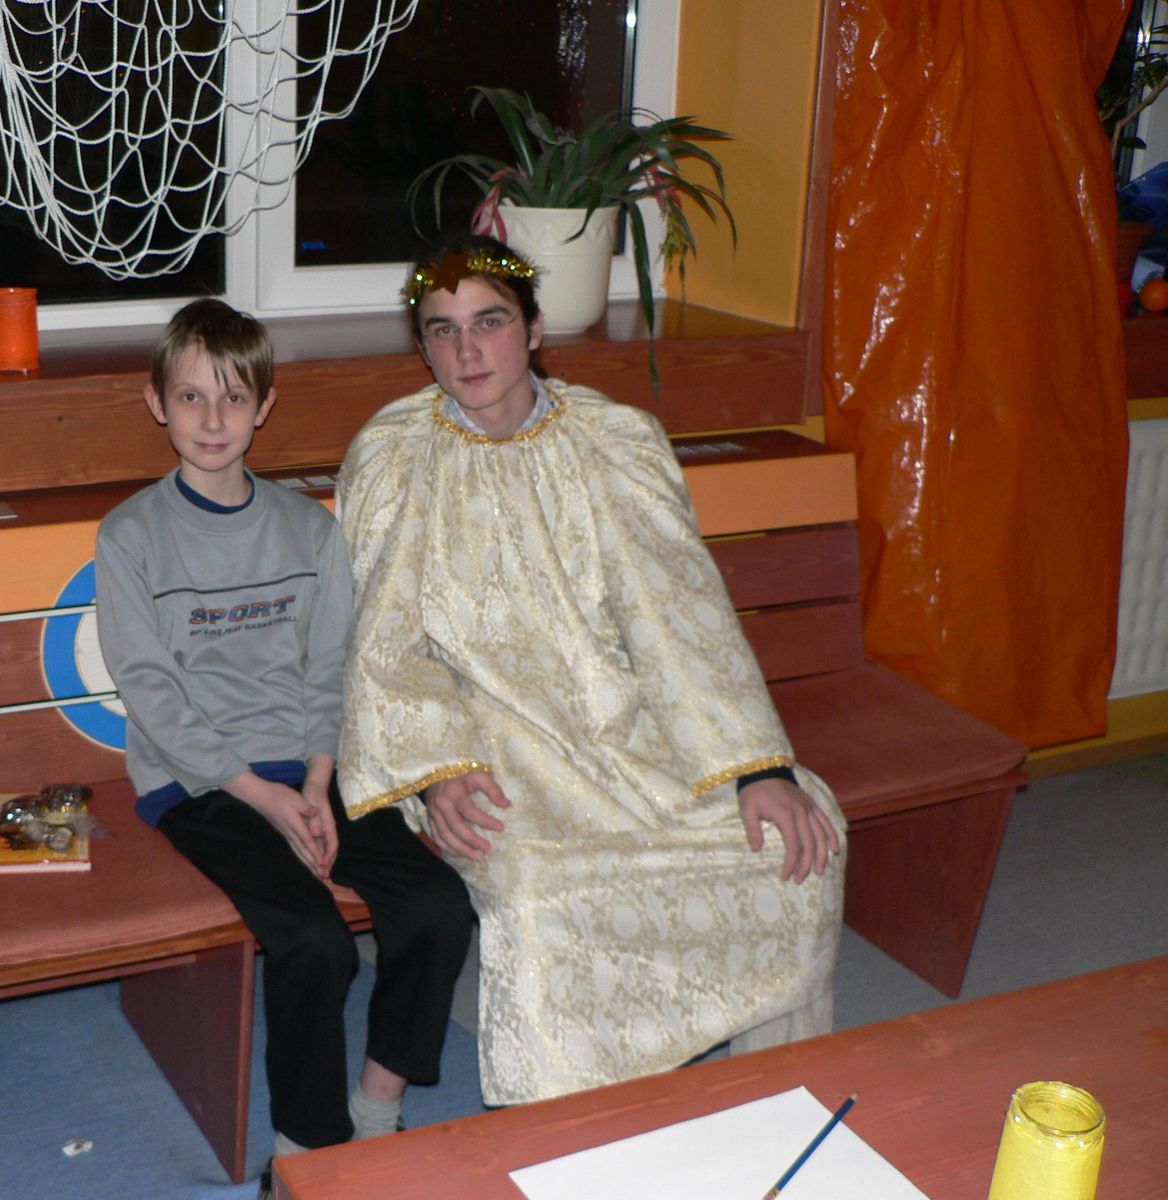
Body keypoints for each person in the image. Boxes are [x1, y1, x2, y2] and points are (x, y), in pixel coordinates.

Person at [335, 234, 846, 1107]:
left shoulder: (615, 439)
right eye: (443, 330)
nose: (467, 350)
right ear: (422, 349)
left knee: (793, 836)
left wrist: (757, 766)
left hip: (628, 724)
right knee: (543, 898)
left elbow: (678, 611)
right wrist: (438, 770)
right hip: (483, 741)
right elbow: (381, 641)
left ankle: (776, 1089)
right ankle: (568, 1127)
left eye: (489, 322)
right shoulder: (394, 454)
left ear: (534, 330)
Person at [93, 298, 474, 1195]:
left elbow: (328, 668)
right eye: (191, 397)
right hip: (198, 785)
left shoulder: (309, 529)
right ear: (156, 404)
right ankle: (306, 1154)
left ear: (264, 406)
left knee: (437, 906)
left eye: (233, 397)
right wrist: (260, 794)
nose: (212, 419)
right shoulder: (131, 536)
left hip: (311, 770)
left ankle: (376, 1112)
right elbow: (150, 692)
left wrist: (315, 779)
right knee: (314, 940)